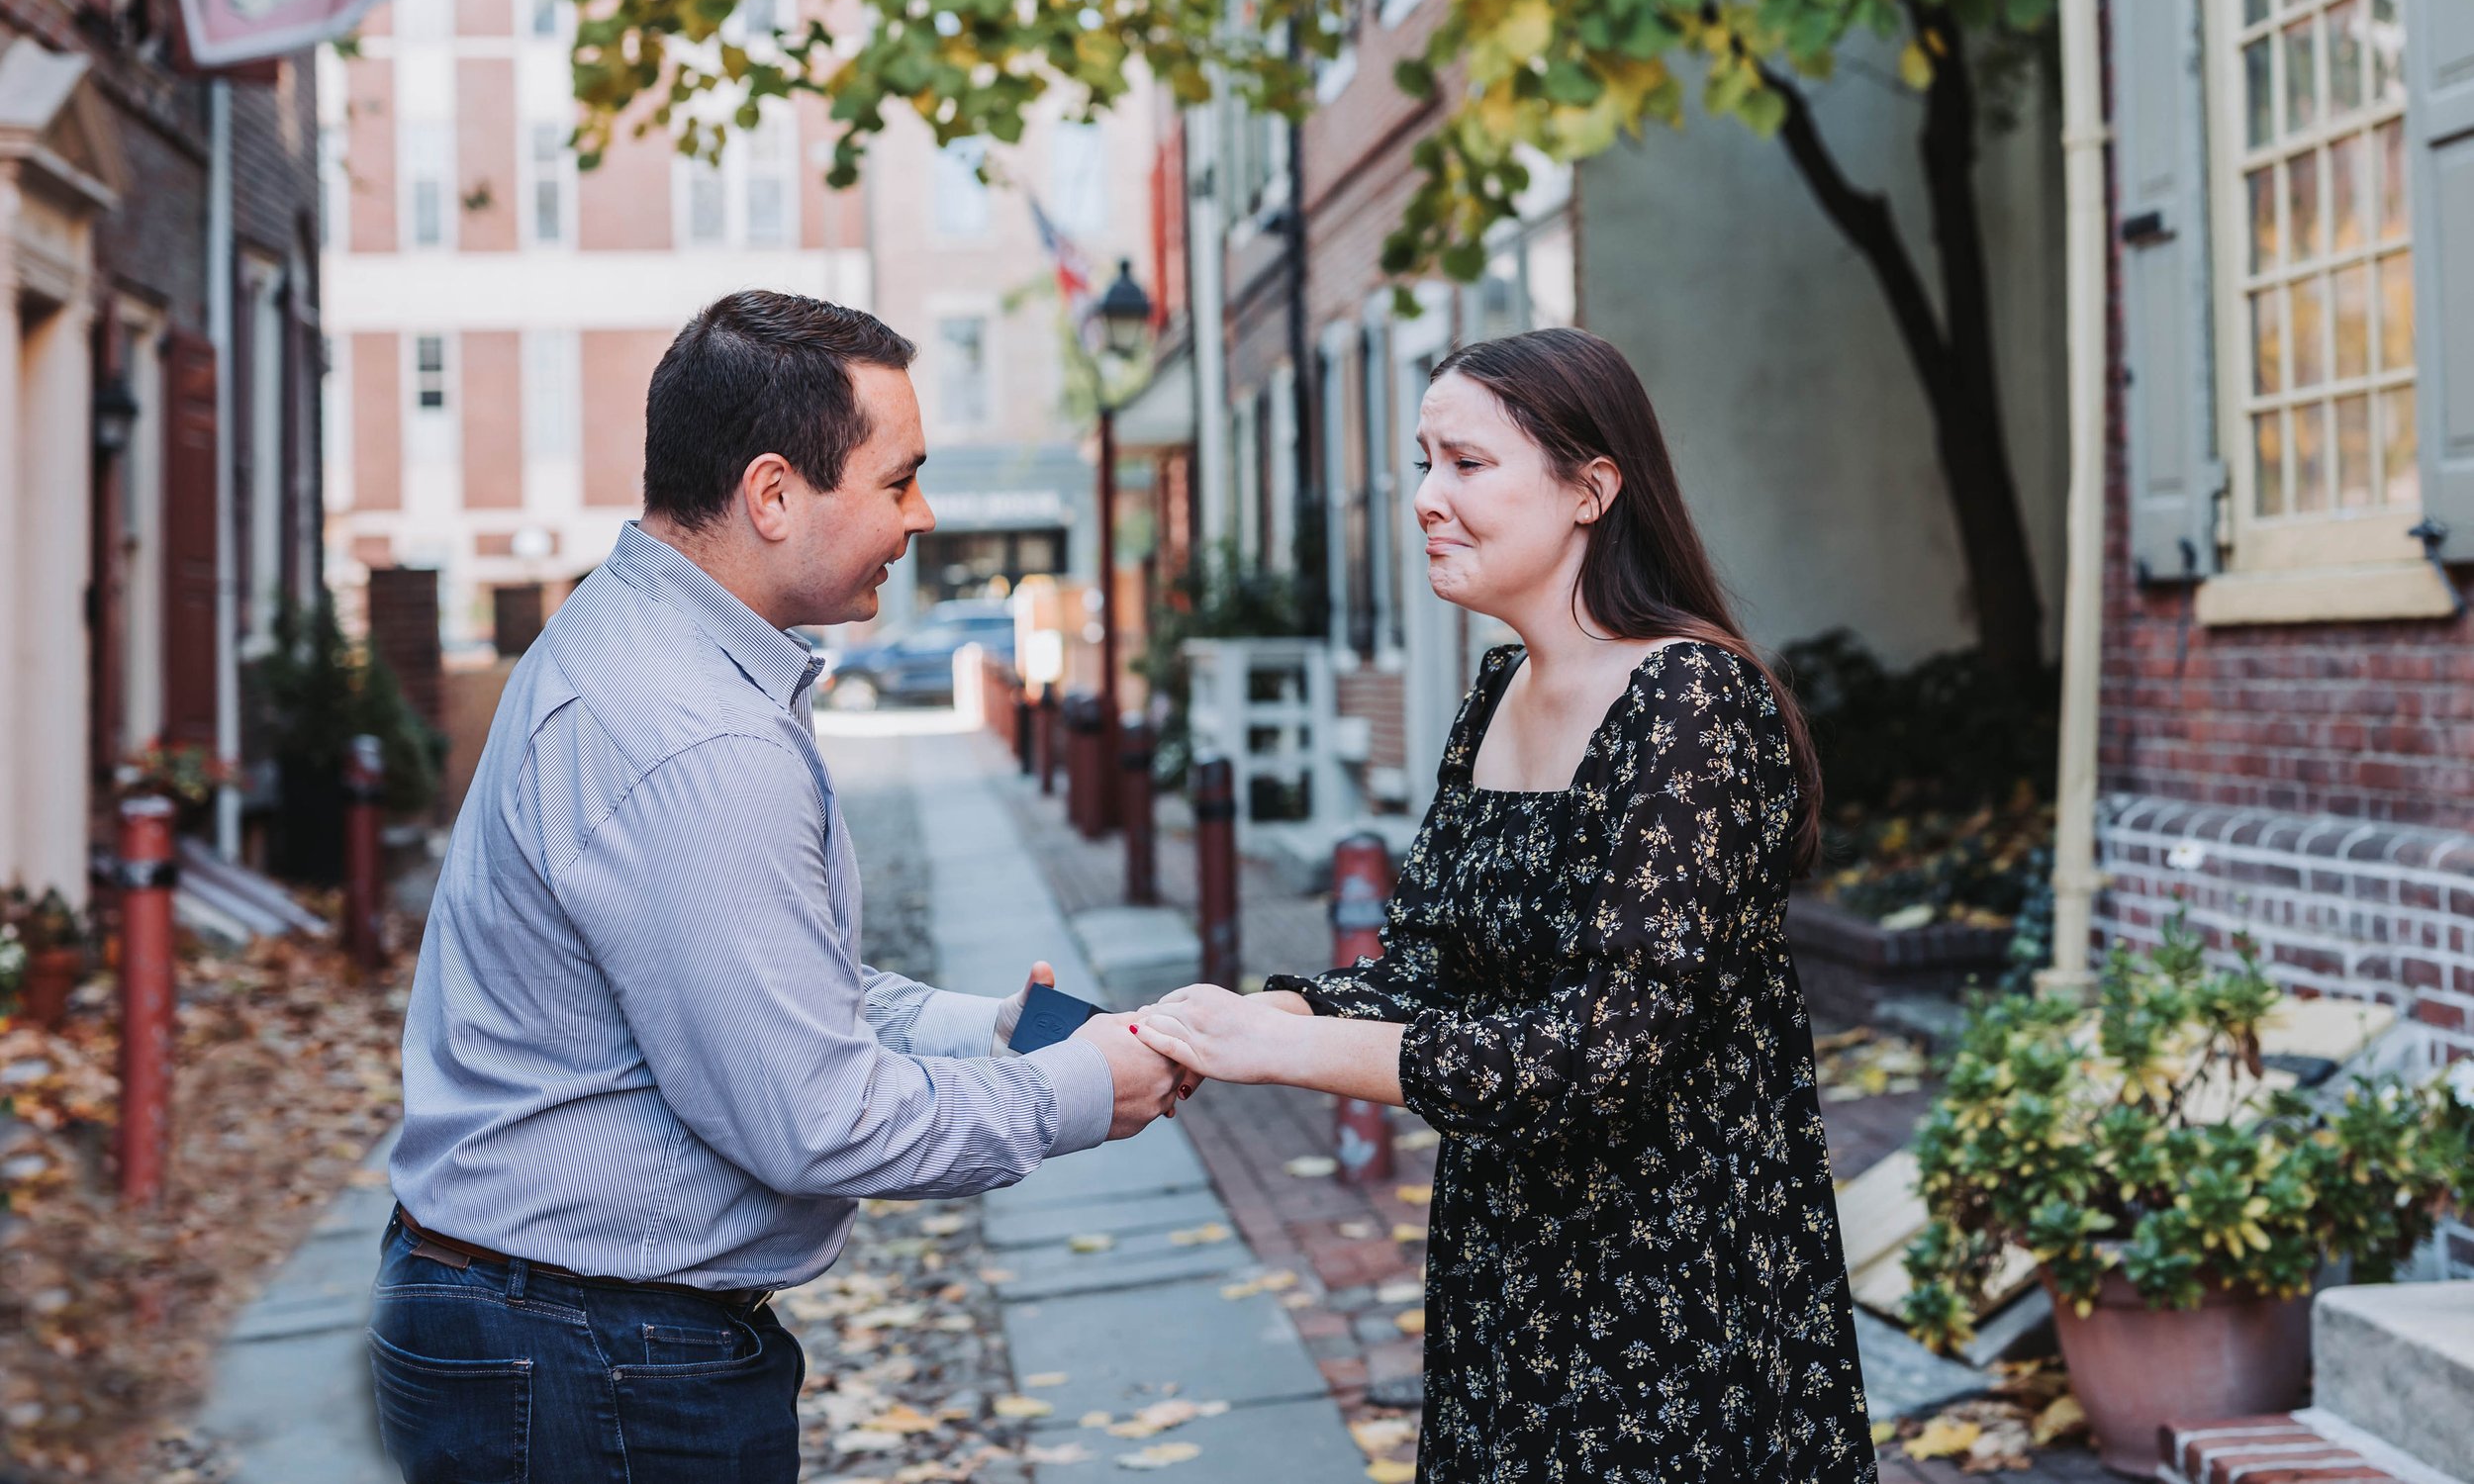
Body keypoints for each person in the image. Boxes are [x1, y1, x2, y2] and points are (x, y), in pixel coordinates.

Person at [370, 292, 1180, 1483]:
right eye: (898, 480)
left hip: (546, 1323)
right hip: (589, 1354)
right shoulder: (696, 735)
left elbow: (758, 979)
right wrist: (1072, 1090)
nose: (924, 514)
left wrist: (992, 1031)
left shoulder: (637, 635)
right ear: (772, 493)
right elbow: (814, 1115)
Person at [1132, 328, 1876, 1483]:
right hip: (1511, 1266)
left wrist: (1293, 1052)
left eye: (1466, 464)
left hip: (1675, 1291)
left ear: (1591, 487)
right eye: (1423, 462)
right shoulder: (1496, 690)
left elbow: (1606, 1045)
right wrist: (1256, 1008)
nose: (1426, 497)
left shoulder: (1692, 700)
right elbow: (1424, 963)